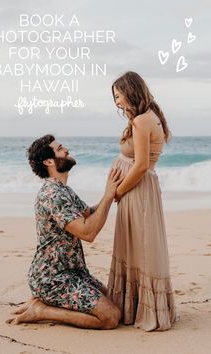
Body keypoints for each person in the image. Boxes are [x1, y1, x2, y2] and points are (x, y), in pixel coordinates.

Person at [8, 134, 122, 329]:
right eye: (60, 148)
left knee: (117, 302)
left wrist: (113, 193)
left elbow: (89, 213)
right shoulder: (53, 194)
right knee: (110, 317)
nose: (67, 149)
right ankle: (42, 310)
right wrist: (109, 195)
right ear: (49, 161)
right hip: (53, 278)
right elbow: (88, 232)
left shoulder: (64, 190)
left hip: (74, 273)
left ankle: (42, 301)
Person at [107, 71, 178, 331]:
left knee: (139, 246)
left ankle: (138, 309)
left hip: (135, 190)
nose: (117, 102)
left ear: (130, 91)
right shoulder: (151, 116)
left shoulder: (140, 121)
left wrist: (118, 191)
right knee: (139, 246)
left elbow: (140, 166)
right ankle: (137, 307)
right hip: (140, 190)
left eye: (118, 95)